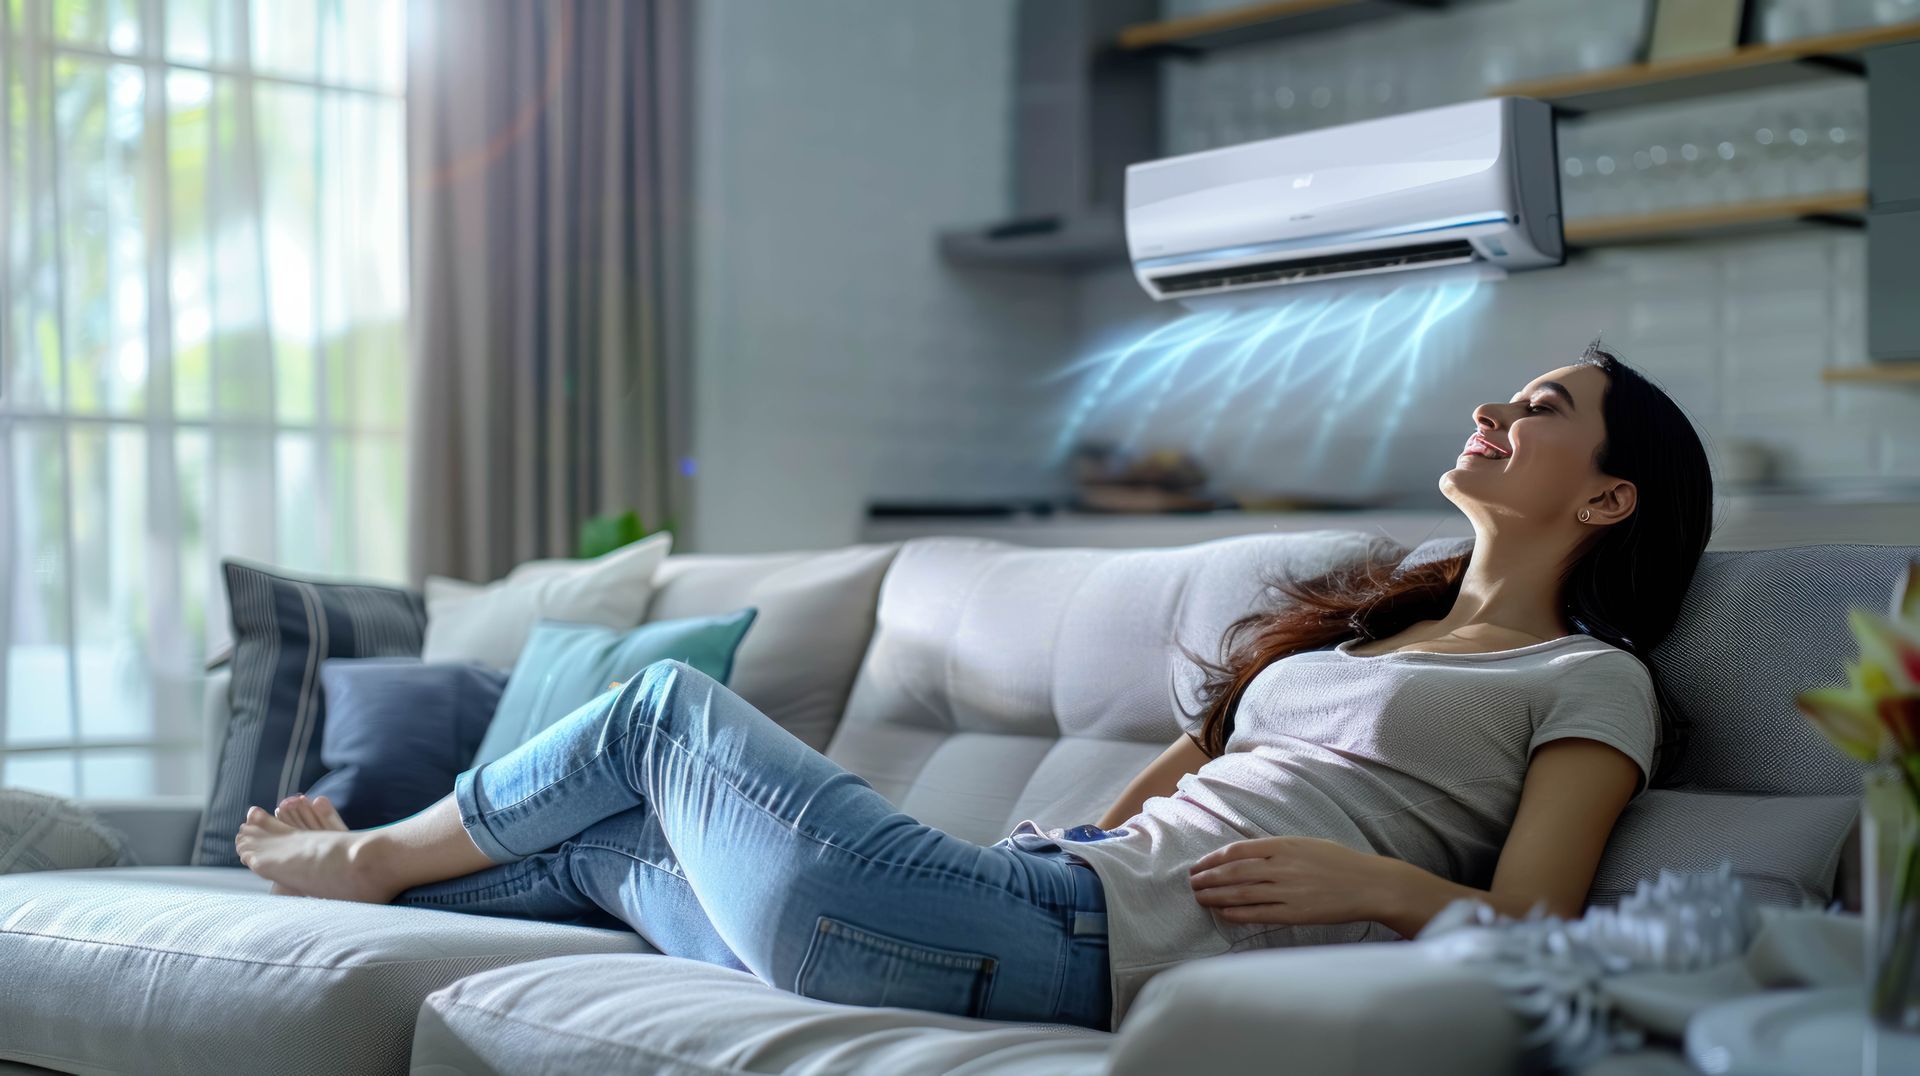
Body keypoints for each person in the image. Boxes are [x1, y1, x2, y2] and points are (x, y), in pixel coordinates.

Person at [236, 340, 1713, 1034]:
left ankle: (362, 856)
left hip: (1070, 951)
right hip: (1026, 899)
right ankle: (361, 888)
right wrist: (1083, 837)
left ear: (1610, 502)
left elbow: (1541, 931)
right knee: (620, 848)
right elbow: (1191, 780)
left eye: (1542, 409)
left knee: (656, 718)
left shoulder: (1591, 683)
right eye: (1508, 395)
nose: (1495, 412)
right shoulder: (1372, 632)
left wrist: (1372, 883)